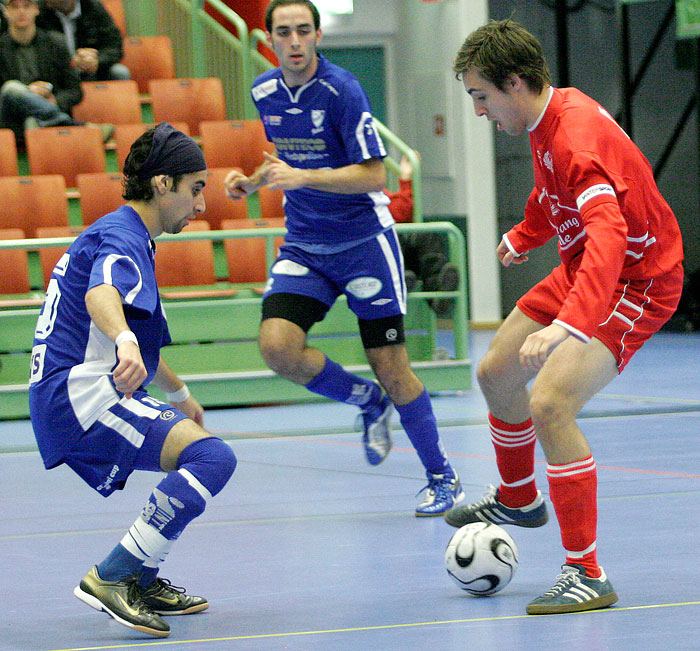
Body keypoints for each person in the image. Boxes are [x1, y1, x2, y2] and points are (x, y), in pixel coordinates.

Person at [445, 19, 684, 615]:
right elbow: (552, 192)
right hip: (585, 266)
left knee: (550, 402)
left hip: (637, 279)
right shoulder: (546, 116)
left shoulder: (575, 138)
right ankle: (520, 498)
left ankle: (587, 572)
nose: (477, 111)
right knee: (497, 370)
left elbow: (608, 233)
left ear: (516, 82)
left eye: (481, 96)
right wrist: (526, 235)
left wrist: (569, 325)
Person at [224, 0, 464, 516]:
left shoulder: (343, 90)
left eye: (303, 31)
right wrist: (253, 181)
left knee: (393, 369)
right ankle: (365, 401)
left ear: (317, 37)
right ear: (268, 38)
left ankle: (442, 477)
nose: (293, 41)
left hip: (363, 247)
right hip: (306, 246)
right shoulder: (264, 91)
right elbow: (286, 157)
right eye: (283, 32)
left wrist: (304, 178)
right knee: (277, 348)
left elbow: (376, 174)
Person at [28, 122, 237, 638]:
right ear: (162, 184)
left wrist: (179, 393)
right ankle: (116, 574)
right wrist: (122, 339)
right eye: (195, 189)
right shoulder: (123, 238)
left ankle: (140, 576)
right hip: (81, 394)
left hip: (73, 390)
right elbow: (101, 294)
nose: (202, 206)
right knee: (213, 457)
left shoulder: (121, 231)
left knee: (202, 452)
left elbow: (139, 338)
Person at [0, 0, 112, 144]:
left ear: (36, 9)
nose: (21, 12)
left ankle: (55, 121)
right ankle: (76, 126)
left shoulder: (55, 43)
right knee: (11, 88)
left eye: (26, 6)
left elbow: (75, 90)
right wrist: (27, 92)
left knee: (33, 122)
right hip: (12, 119)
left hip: (40, 119)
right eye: (15, 7)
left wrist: (54, 99)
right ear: (6, 12)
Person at [386, 152, 460, 316]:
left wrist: (406, 178)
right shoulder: (348, 193)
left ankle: (438, 294)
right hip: (372, 258)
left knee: (426, 236)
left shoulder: (373, 192)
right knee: (389, 235)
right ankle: (400, 279)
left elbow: (402, 212)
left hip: (399, 257)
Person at [37, 0, 129, 82]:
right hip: (57, 72)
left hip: (91, 68)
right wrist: (68, 62)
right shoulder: (39, 12)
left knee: (119, 72)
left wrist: (97, 60)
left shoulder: (93, 7)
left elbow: (114, 46)